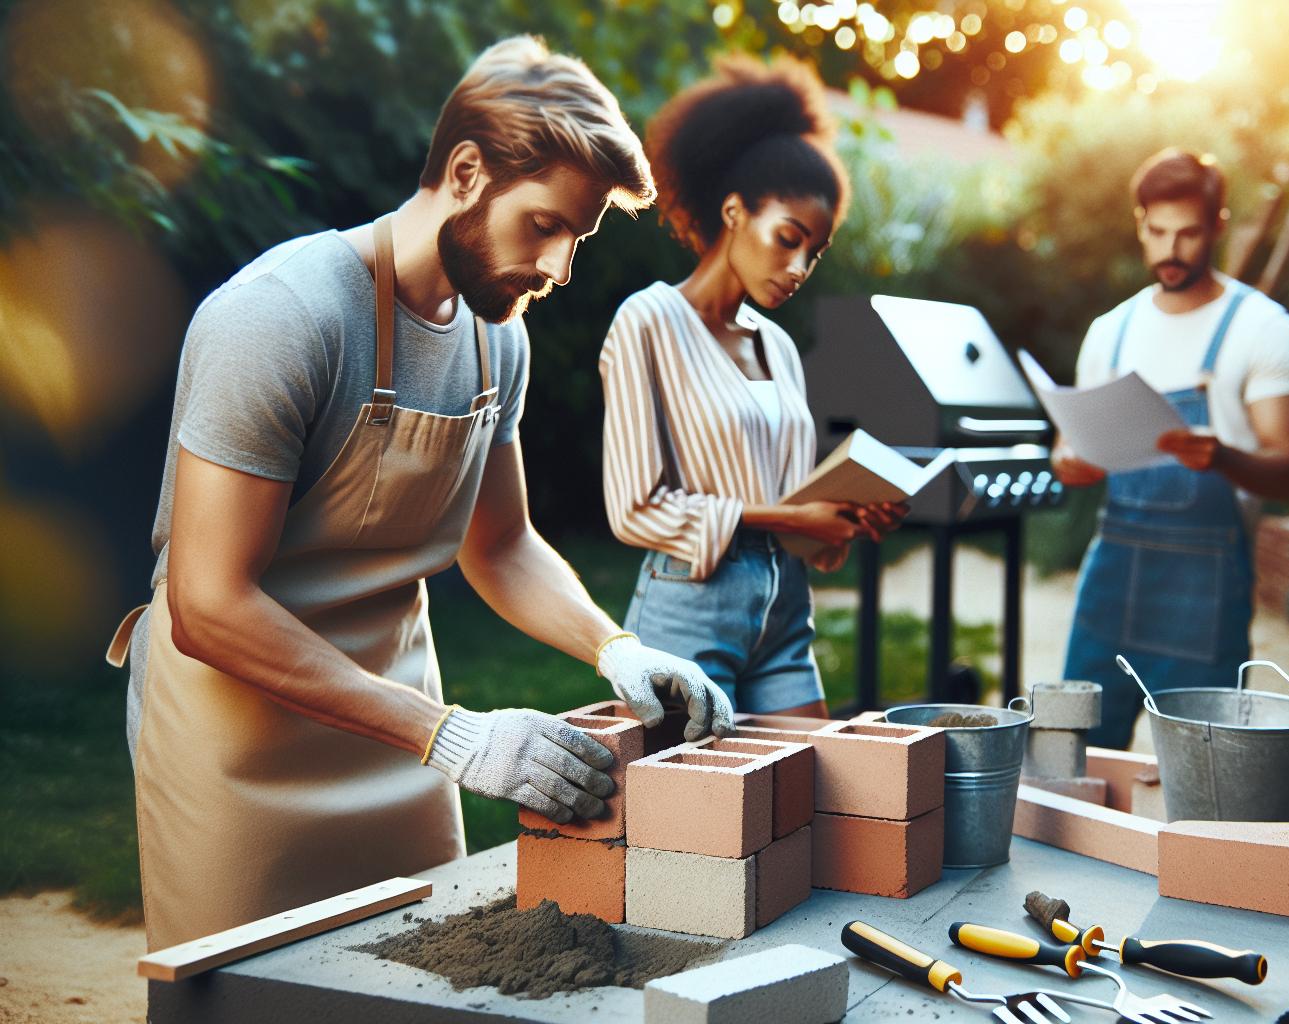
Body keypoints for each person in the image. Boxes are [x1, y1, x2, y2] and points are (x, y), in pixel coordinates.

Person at [108, 36, 733, 950]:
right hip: (235, 737)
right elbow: (207, 604)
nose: (559, 267)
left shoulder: (496, 338)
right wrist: (455, 737)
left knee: (414, 974)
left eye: (578, 237)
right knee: (245, 996)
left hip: (399, 725)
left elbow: (502, 546)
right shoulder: (281, 317)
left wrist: (617, 647)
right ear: (468, 170)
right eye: (545, 225)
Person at [600, 56, 904, 718]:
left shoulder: (779, 346)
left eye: (814, 252)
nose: (798, 267)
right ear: (735, 212)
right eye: (788, 239)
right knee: (698, 820)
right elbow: (633, 509)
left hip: (784, 609)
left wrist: (840, 519)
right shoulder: (648, 321)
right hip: (688, 612)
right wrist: (791, 516)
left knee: (819, 797)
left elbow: (793, 506)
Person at [1055, 149, 1289, 750]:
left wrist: (1221, 457)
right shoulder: (1110, 332)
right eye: (1159, 232)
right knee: (1075, 761)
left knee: (1210, 775)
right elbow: (1067, 443)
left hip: (1207, 594)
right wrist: (1067, 460)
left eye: (1190, 233)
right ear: (1140, 223)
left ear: (1218, 225)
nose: (1172, 249)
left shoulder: (1264, 329)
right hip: (1109, 591)